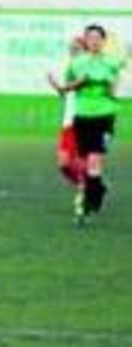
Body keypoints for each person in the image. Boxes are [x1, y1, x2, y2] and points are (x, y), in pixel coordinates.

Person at [52, 24, 124, 224]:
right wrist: (62, 86)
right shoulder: (76, 63)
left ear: (103, 41)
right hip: (81, 116)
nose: (93, 41)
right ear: (86, 40)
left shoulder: (111, 63)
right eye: (90, 37)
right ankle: (95, 193)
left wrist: (106, 84)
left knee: (94, 162)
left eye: (97, 37)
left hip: (104, 116)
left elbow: (113, 87)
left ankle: (89, 202)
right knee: (83, 163)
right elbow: (67, 88)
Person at [48, 37, 86, 191]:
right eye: (71, 48)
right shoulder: (70, 71)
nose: (73, 51)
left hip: (82, 122)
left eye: (77, 48)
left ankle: (86, 191)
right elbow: (66, 95)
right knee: (63, 164)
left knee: (77, 161)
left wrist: (60, 86)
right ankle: (87, 186)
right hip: (67, 123)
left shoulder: (86, 70)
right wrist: (57, 86)